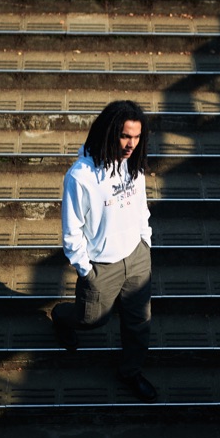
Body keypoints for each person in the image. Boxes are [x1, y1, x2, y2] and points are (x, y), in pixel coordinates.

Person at [50, 100, 156, 403]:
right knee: (91, 320)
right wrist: (86, 270)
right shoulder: (81, 176)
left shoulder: (132, 163)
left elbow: (140, 207)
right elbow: (71, 231)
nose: (131, 145)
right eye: (125, 136)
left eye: (136, 138)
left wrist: (145, 241)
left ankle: (131, 372)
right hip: (101, 266)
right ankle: (60, 316)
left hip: (136, 258)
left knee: (139, 322)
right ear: (109, 132)